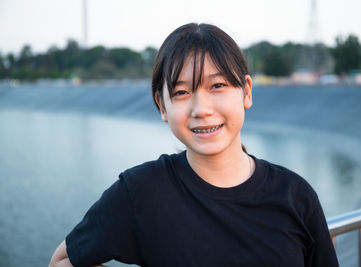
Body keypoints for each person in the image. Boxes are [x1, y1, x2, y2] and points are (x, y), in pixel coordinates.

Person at [49, 23, 339, 267]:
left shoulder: (295, 196)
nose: (201, 108)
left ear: (246, 92)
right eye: (182, 91)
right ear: (162, 105)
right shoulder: (141, 192)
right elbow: (61, 261)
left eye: (217, 86)